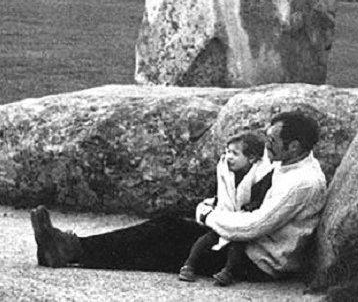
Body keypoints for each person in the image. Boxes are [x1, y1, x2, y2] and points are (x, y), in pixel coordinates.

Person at [30, 110, 328, 284]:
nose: (266, 145)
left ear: (294, 147)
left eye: (273, 141)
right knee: (167, 226)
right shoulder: (288, 163)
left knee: (165, 249)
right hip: (241, 242)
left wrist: (208, 215)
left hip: (255, 261)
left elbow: (254, 227)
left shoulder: (302, 183)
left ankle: (70, 251)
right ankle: (69, 247)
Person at [178, 131, 275, 286]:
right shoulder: (225, 171)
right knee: (206, 239)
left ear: (251, 158)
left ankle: (228, 271)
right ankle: (189, 265)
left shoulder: (260, 176)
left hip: (244, 220)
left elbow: (261, 198)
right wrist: (215, 204)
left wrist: (251, 207)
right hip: (225, 215)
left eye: (235, 153)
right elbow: (219, 191)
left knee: (238, 244)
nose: (228, 156)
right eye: (227, 151)